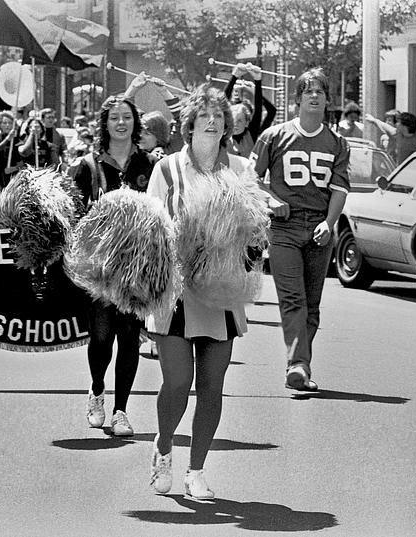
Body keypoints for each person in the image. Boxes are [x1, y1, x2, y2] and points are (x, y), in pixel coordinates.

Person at [146, 84, 260, 500]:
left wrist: (249, 239)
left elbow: (255, 229)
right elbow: (150, 227)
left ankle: (196, 469)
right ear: (189, 123)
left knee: (212, 384)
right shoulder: (167, 170)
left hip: (223, 290)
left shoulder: (242, 169)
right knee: (177, 382)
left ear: (227, 123)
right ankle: (162, 448)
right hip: (174, 290)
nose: (212, 120)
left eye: (218, 114)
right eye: (204, 114)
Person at [250, 67, 350, 392]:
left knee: (312, 304)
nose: (314, 95)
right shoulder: (274, 136)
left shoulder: (337, 143)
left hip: (319, 227)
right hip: (284, 227)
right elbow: (250, 180)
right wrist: (271, 200)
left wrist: (329, 223)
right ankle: (298, 365)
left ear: (327, 100)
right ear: (297, 99)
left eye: (320, 91)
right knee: (293, 299)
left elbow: (339, 189)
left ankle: (300, 365)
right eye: (308, 90)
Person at [71, 95, 157, 436]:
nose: (121, 123)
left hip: (137, 266)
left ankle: (121, 410)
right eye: (114, 118)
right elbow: (75, 216)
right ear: (104, 124)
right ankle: (96, 389)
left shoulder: (150, 165)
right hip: (100, 267)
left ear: (136, 123)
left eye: (127, 117)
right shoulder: (88, 166)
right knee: (102, 337)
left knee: (129, 337)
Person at [224, 62, 277, 157]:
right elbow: (221, 105)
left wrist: (257, 81)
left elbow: (260, 110)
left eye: (240, 120)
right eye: (233, 120)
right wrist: (234, 76)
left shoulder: (251, 134)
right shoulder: (223, 133)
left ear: (247, 123)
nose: (236, 124)